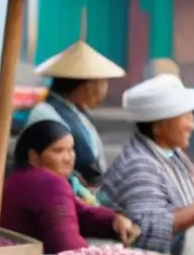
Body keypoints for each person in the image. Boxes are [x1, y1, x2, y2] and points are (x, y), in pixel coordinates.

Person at [1, 120, 138, 254]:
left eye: (71, 149)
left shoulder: (19, 178)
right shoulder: (48, 183)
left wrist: (113, 221)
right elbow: (67, 247)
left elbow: (79, 213)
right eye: (58, 151)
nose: (68, 158)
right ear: (34, 157)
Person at [101, 74, 194, 255]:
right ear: (157, 127)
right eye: (185, 117)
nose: (192, 125)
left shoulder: (173, 153)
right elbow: (144, 234)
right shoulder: (139, 166)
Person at [24, 40, 124, 186]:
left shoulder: (76, 112)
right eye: (103, 82)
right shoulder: (46, 114)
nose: (105, 89)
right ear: (88, 85)